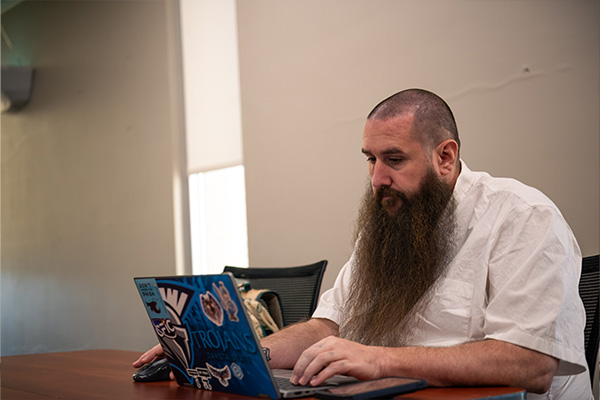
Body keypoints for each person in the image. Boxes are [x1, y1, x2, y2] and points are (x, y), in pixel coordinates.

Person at [134, 89, 592, 399]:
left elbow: (530, 363)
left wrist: (376, 360)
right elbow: (327, 326)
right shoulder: (393, 223)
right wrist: (234, 353)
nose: (377, 179)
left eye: (394, 159)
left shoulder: (524, 217)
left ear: (445, 157)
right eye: (370, 159)